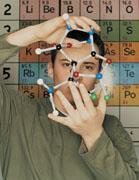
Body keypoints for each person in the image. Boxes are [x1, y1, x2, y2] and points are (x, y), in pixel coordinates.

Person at [0, 15, 139, 180]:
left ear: (98, 75)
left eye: (87, 66)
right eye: (66, 64)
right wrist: (35, 33)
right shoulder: (16, 113)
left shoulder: (111, 127)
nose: (75, 75)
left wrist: (93, 135)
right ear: (50, 69)